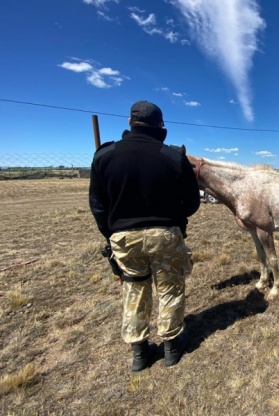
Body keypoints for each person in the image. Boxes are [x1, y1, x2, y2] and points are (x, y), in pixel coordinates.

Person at [89, 100, 200, 372]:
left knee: (135, 289)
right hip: (166, 235)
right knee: (170, 287)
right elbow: (193, 202)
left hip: (124, 237)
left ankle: (139, 352)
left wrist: (111, 235)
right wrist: (176, 220)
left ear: (129, 122)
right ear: (162, 126)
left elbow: (97, 204)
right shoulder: (174, 156)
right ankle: (172, 346)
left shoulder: (104, 156)